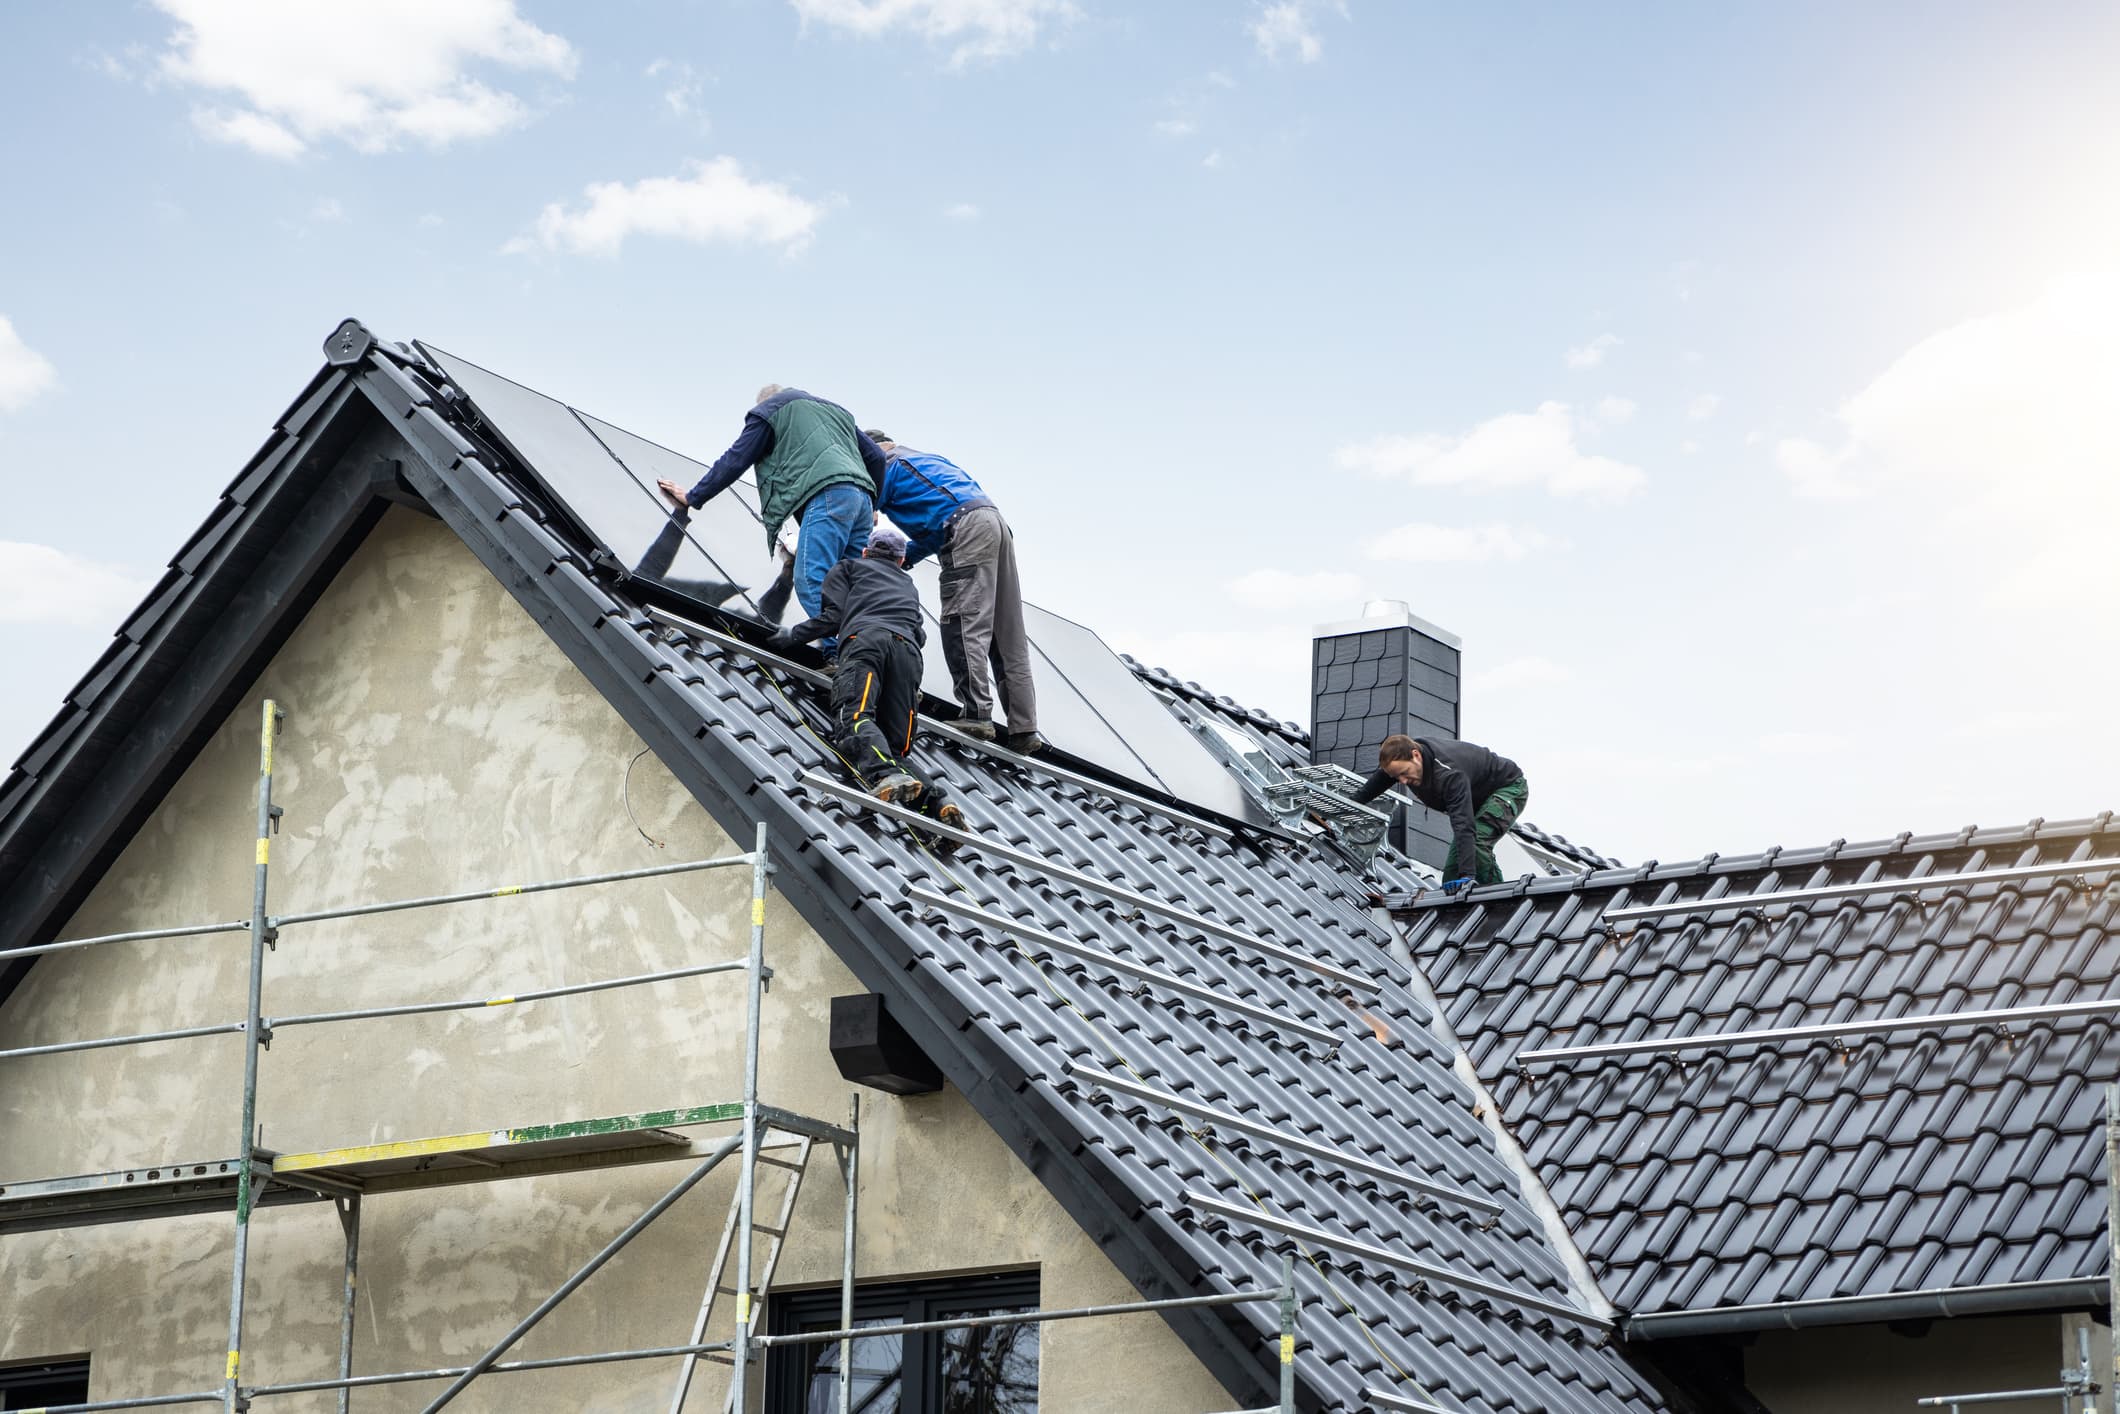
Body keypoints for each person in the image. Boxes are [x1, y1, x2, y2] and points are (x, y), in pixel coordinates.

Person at [657, 385, 889, 660]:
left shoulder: (770, 410)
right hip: (862, 500)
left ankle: (841, 656)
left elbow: (736, 459)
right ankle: (869, 658)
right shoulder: (835, 411)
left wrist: (693, 496)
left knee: (813, 577)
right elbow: (876, 456)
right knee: (849, 586)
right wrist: (872, 504)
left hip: (828, 493)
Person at [769, 529, 964, 828]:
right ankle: (937, 804)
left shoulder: (848, 568)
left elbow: (833, 617)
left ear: (864, 552)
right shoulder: (907, 584)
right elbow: (920, 633)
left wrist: (791, 636)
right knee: (896, 745)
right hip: (909, 656)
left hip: (867, 642)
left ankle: (885, 774)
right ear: (900, 561)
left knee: (854, 715)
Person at [864, 431, 1041, 755]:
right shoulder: (926, 461)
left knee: (962, 621)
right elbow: (934, 531)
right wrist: (906, 559)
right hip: (993, 523)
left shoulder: (886, 464)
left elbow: (866, 512)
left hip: (966, 529)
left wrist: (863, 556)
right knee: (1006, 632)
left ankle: (976, 714)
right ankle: (1024, 728)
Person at [1354, 734, 1528, 891]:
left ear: (1416, 755)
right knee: (1453, 873)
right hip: (1477, 799)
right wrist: (1351, 804)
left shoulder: (1449, 774)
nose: (1404, 781)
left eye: (1405, 774)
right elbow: (1376, 783)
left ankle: (1499, 900)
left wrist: (1468, 876)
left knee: (1476, 846)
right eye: (1397, 777)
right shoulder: (1402, 759)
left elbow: (1463, 825)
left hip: (1508, 789)